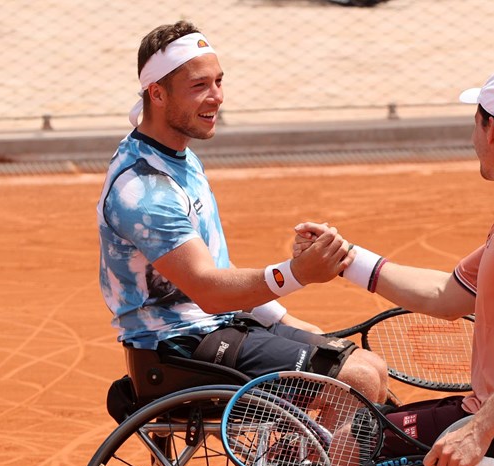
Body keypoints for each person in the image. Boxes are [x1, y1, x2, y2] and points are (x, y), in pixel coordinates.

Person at [297, 62, 494, 466]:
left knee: (354, 438)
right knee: (381, 428)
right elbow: (447, 294)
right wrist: (346, 259)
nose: (473, 137)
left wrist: (480, 429)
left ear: (493, 130)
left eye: (476, 123)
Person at [98, 20, 386, 403]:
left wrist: (280, 318)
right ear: (157, 94)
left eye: (219, 82)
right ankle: (310, 465)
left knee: (372, 368)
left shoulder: (177, 158)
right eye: (199, 86)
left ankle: (295, 462)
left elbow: (219, 274)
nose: (216, 97)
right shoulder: (145, 190)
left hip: (217, 328)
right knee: (356, 383)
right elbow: (209, 292)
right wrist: (296, 274)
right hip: (176, 349)